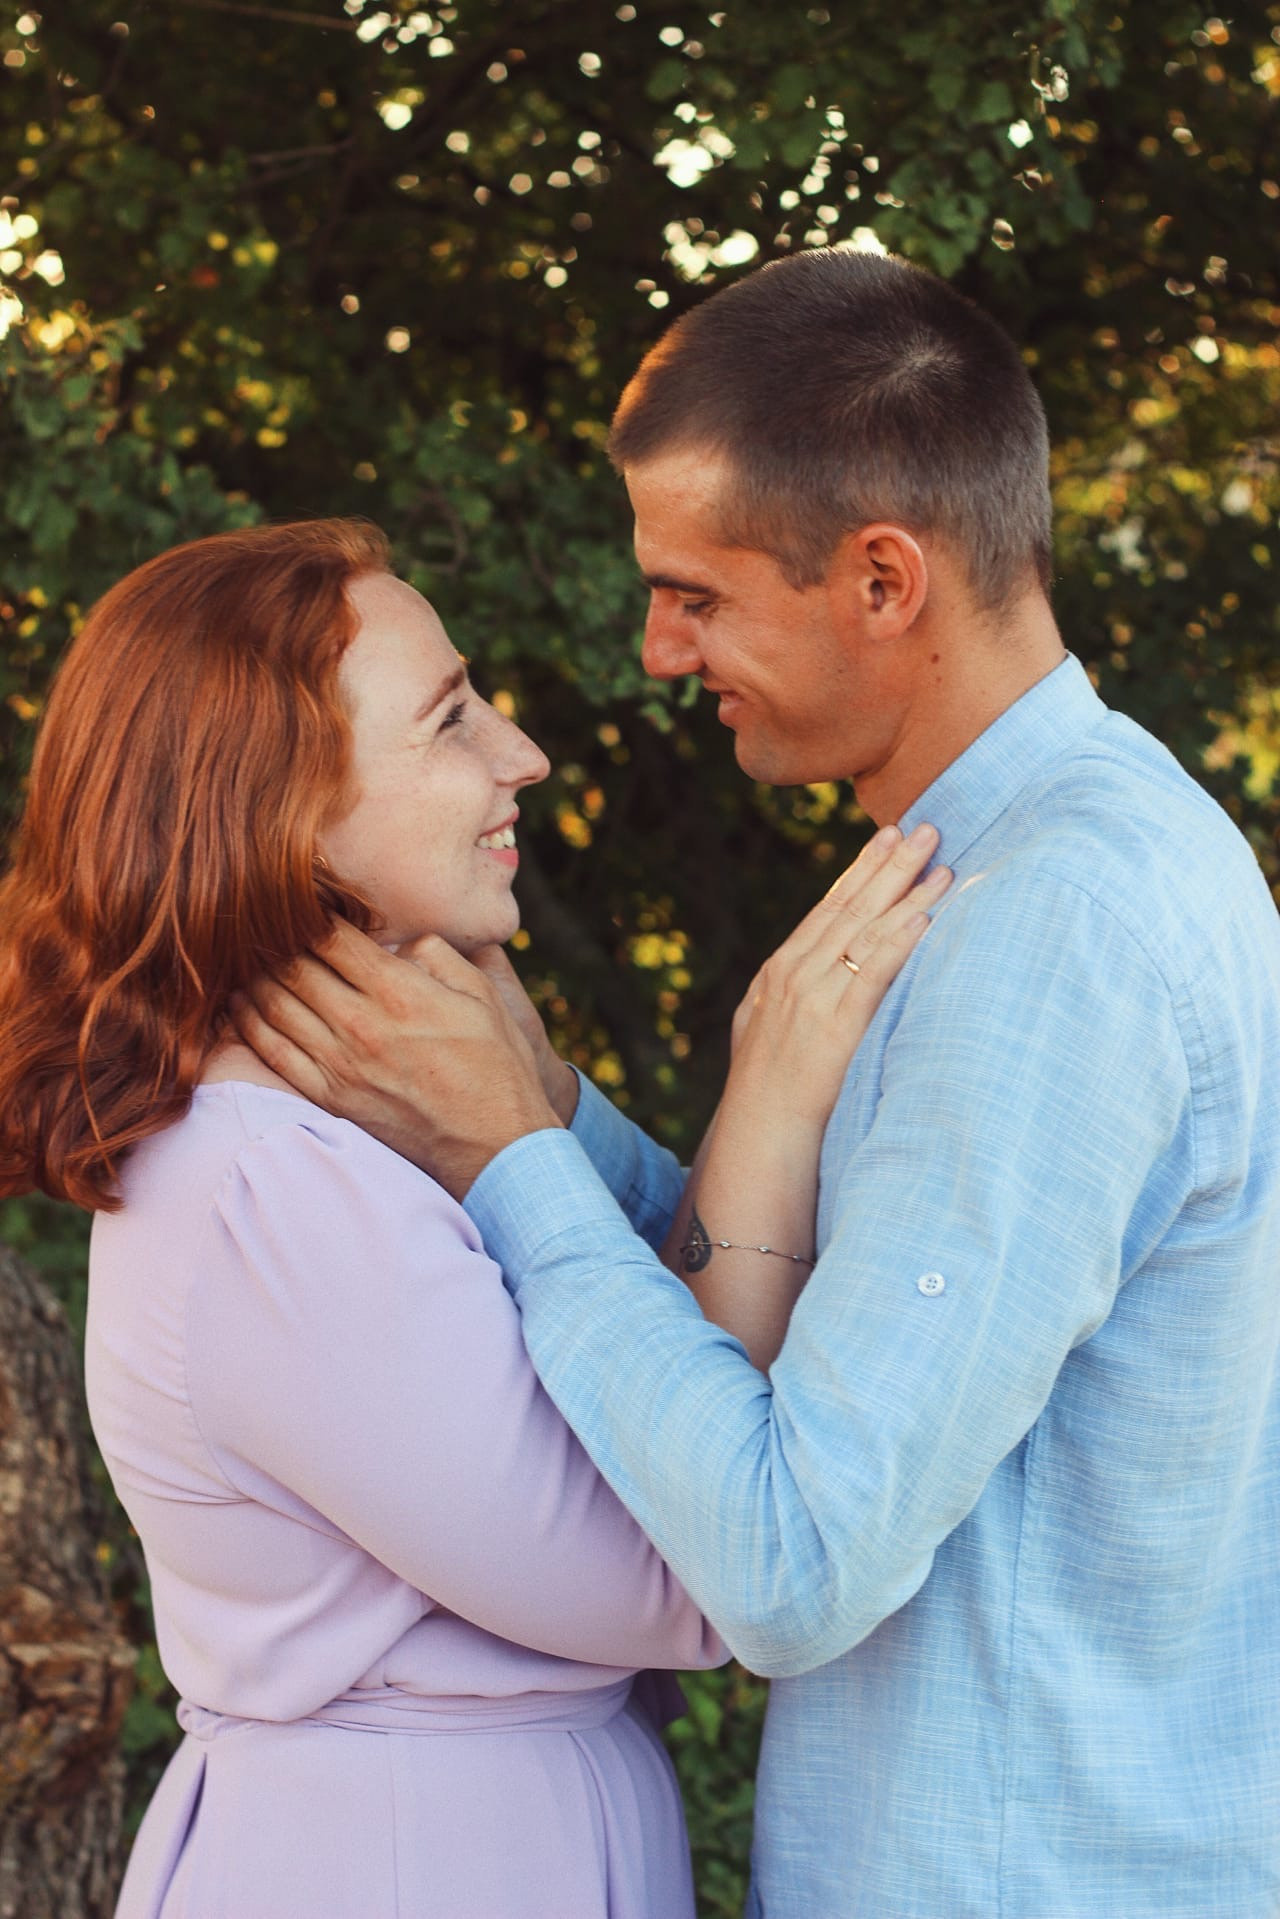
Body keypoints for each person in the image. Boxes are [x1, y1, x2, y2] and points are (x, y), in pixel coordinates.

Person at [237, 249, 1280, 1918]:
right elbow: (839, 1312)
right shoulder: (1013, 858)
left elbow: (795, 1560)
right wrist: (555, 1110)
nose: (658, 652)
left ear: (883, 578)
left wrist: (517, 1160)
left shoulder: (1053, 928)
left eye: (698, 595)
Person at [0, 516, 944, 1918]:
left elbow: (646, 1367)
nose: (522, 756)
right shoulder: (269, 1189)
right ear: (275, 805)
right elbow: (695, 1565)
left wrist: (537, 1116)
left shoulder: (355, 1132)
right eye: (448, 722)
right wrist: (774, 1088)